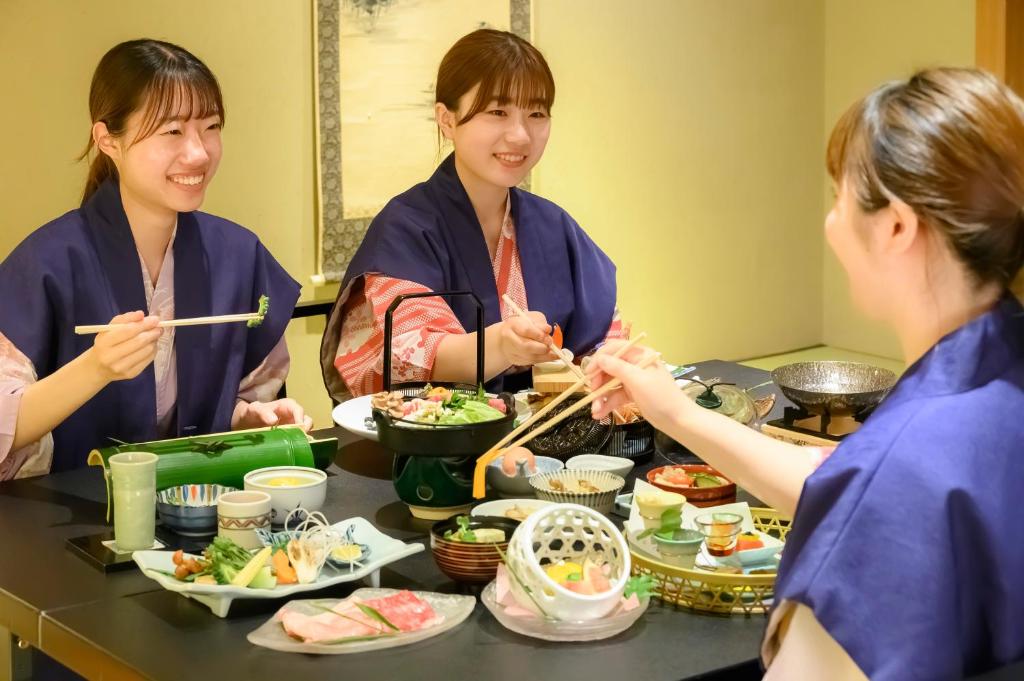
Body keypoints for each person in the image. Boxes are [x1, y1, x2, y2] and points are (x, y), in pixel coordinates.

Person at [588, 68, 1024, 680]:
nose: (831, 224)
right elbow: (849, 482)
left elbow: (877, 495)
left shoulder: (903, 475)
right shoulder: (999, 365)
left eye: (839, 198)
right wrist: (677, 412)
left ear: (897, 225)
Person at [0, 39, 310, 479]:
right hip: (74, 518)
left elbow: (237, 397)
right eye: (172, 132)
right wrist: (96, 367)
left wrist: (248, 418)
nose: (199, 153)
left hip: (205, 505)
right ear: (108, 140)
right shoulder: (47, 262)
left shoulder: (237, 253)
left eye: (211, 127)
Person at [321, 28, 627, 402]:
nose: (520, 135)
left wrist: (614, 360)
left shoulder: (552, 225)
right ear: (447, 120)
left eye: (536, 113)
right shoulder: (405, 227)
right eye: (497, 112)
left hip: (550, 439)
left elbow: (603, 334)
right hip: (441, 442)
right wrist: (499, 345)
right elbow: (405, 354)